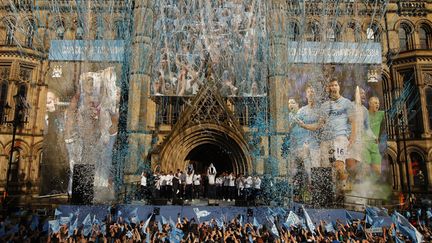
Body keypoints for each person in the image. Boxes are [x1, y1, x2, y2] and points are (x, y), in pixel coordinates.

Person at [320, 79, 354, 190]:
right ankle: (335, 191)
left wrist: (351, 140)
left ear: (339, 87)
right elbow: (321, 124)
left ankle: (345, 185)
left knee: (339, 165)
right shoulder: (324, 105)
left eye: (335, 85)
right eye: (331, 86)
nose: (333, 87)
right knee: (329, 167)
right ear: (328, 88)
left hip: (341, 138)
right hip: (327, 139)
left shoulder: (346, 103)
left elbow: (353, 122)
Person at [295, 85, 323, 184]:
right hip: (304, 144)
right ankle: (310, 188)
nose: (311, 94)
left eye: (312, 92)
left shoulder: (320, 110)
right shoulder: (302, 110)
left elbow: (318, 126)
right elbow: (296, 122)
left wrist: (304, 125)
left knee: (316, 167)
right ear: (306, 95)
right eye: (309, 92)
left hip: (316, 144)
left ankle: (316, 188)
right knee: (307, 168)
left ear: (315, 94)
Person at [363, 96, 385, 176]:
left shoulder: (381, 114)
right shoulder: (364, 114)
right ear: (370, 104)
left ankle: (375, 186)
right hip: (364, 145)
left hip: (375, 146)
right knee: (365, 171)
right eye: (375, 103)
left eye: (378, 103)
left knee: (378, 171)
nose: (377, 105)